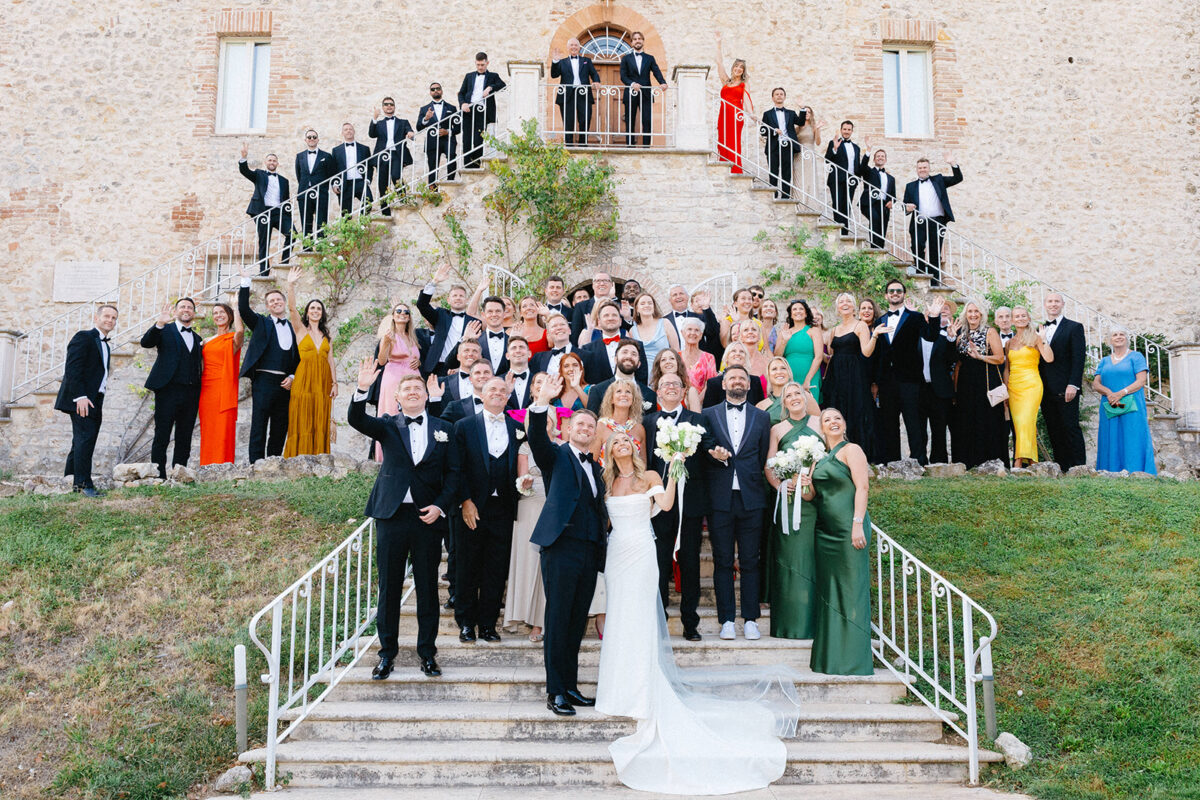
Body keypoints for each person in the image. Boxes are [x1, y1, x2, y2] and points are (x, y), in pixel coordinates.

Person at [595, 425, 801, 796]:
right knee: (619, 618)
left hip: (641, 552)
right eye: (617, 441)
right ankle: (617, 688)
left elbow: (666, 505)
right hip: (617, 554)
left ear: (634, 448)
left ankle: (642, 688)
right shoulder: (607, 482)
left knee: (639, 618)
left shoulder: (649, 476)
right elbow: (604, 521)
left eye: (627, 440)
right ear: (609, 451)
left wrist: (675, 469)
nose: (622, 443)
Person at [348, 362, 454, 679]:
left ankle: (428, 654)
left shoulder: (444, 428)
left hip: (427, 517)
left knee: (427, 589)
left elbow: (454, 474)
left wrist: (440, 506)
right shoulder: (387, 425)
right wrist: (362, 389)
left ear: (426, 395)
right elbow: (356, 419)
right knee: (390, 588)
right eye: (406, 389)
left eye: (417, 388)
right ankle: (386, 654)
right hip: (391, 515)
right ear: (397, 397)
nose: (412, 392)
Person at [526, 376, 606, 716]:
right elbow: (536, 438)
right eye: (580, 424)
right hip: (560, 547)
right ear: (568, 429)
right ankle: (555, 691)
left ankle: (571, 687)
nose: (585, 429)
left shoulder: (597, 468)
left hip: (589, 550)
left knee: (576, 622)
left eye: (590, 426)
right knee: (558, 619)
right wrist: (542, 401)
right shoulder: (556, 456)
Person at [450, 376, 522, 643]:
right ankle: (466, 623)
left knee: (496, 568)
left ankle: (488, 625)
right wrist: (465, 501)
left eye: (503, 390)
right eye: (492, 389)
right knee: (468, 566)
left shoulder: (517, 428)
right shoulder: (464, 426)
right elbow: (455, 468)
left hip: (503, 508)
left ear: (508, 397)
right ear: (481, 394)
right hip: (472, 507)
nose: (498, 393)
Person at [702, 365, 771, 641]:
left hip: (751, 497)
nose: (737, 381)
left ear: (749, 384)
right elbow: (704, 446)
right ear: (723, 383)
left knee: (751, 560)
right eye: (732, 378)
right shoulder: (708, 414)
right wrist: (714, 454)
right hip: (719, 498)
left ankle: (751, 619)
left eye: (742, 378)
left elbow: (763, 455)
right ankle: (727, 620)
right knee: (722, 560)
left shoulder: (762, 417)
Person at [805, 408, 873, 675]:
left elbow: (863, 487)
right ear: (821, 428)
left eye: (837, 418)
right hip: (825, 532)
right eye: (827, 420)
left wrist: (857, 523)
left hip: (848, 528)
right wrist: (802, 482)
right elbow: (811, 496)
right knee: (829, 592)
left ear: (844, 424)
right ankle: (830, 657)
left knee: (851, 590)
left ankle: (853, 659)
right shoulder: (818, 458)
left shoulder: (851, 450)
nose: (832, 422)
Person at [643, 371, 711, 636]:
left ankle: (690, 623)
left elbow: (708, 448)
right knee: (659, 562)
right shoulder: (648, 422)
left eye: (676, 384)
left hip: (690, 502)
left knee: (690, 562)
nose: (670, 387)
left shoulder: (698, 420)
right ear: (658, 392)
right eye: (665, 384)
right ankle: (658, 620)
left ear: (684, 391)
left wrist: (716, 452)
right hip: (659, 504)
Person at [764, 382, 823, 639]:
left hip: (817, 501)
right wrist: (779, 485)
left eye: (798, 393)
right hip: (789, 503)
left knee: (814, 558)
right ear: (784, 403)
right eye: (789, 395)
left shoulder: (820, 423)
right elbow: (769, 464)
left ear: (805, 397)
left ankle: (816, 621)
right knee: (789, 559)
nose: (794, 397)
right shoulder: (777, 429)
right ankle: (788, 623)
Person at [237, 265, 300, 462]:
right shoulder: (261, 323)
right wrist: (245, 282)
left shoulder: (293, 327)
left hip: (285, 383)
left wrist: (292, 376)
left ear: (284, 302)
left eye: (278, 299)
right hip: (263, 380)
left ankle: (274, 462)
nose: (275, 303)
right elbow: (243, 309)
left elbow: (298, 357)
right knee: (259, 423)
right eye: (271, 301)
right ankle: (256, 463)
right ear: (267, 306)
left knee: (280, 425)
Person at [507, 374, 553, 641]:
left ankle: (543, 621)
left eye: (546, 420)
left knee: (549, 565)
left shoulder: (562, 447)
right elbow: (521, 480)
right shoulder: (524, 447)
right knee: (529, 563)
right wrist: (524, 484)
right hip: (530, 505)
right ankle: (527, 616)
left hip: (553, 506)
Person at [872, 281, 937, 464]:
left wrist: (934, 316)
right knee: (889, 424)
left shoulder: (915, 317)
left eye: (898, 291)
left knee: (914, 423)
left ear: (904, 294)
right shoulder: (879, 321)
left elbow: (931, 336)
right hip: (887, 382)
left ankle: (919, 461)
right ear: (886, 295)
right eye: (891, 291)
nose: (895, 293)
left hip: (910, 380)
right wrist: (876, 382)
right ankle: (893, 463)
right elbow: (878, 354)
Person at [58, 304, 118, 496]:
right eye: (106, 316)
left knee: (81, 441)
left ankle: (71, 480)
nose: (110, 320)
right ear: (96, 318)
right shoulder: (83, 337)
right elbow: (72, 369)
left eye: (113, 318)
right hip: (82, 399)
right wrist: (80, 397)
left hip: (95, 398)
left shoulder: (105, 344)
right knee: (85, 440)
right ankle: (84, 485)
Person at [141, 298, 203, 479]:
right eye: (182, 307)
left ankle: (179, 474)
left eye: (190, 307)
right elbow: (146, 342)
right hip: (167, 390)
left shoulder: (197, 338)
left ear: (194, 313)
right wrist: (159, 324)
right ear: (176, 311)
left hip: (190, 392)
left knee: (185, 435)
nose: (186, 310)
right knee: (162, 433)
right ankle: (158, 475)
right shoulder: (165, 330)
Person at [283, 268, 336, 457]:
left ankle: (318, 458)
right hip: (304, 379)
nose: (315, 311)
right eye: (312, 308)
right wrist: (290, 285)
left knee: (320, 417)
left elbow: (330, 360)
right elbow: (291, 309)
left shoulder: (327, 336)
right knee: (302, 416)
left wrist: (335, 383)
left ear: (322, 313)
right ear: (307, 312)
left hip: (323, 381)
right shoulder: (300, 330)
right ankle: (298, 458)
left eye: (318, 308)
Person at [822, 293, 881, 459]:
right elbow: (831, 356)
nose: (845, 303)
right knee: (838, 410)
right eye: (841, 301)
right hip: (836, 377)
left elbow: (866, 352)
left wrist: (875, 335)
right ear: (837, 308)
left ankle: (860, 456)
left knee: (857, 410)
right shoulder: (834, 330)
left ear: (854, 306)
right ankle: (838, 454)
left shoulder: (860, 325)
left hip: (855, 376)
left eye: (848, 301)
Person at [953, 301, 1009, 469]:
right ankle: (969, 462)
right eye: (970, 311)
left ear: (982, 314)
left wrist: (980, 356)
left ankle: (991, 461)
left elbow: (1000, 358)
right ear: (965, 314)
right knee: (967, 420)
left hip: (986, 382)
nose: (973, 314)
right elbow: (958, 364)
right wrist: (955, 389)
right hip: (966, 384)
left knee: (988, 420)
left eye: (976, 311)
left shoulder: (990, 332)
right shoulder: (960, 335)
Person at [1093, 330, 1157, 474]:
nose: (1118, 337)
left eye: (1121, 334)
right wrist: (1109, 393)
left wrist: (1121, 393)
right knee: (1110, 437)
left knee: (1132, 436)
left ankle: (1136, 471)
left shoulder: (1136, 357)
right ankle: (1109, 471)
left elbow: (1141, 381)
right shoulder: (1104, 361)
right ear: (1110, 340)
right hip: (1110, 404)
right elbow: (1096, 384)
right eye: (1114, 335)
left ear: (1127, 338)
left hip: (1132, 404)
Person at [1039, 293, 1087, 470]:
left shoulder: (1074, 327)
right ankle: (1062, 467)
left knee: (1070, 427)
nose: (1053, 304)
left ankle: (1079, 467)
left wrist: (1073, 384)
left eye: (1056, 301)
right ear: (1045, 304)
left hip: (1067, 388)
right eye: (1050, 301)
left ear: (1062, 304)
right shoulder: (1039, 329)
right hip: (1045, 389)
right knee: (1053, 429)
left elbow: (1078, 358)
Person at [1004, 306, 1054, 467]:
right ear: (1012, 320)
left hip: (1031, 384)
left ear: (1028, 318)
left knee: (1026, 419)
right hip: (1014, 387)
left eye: (1023, 316)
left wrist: (1044, 339)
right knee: (1021, 423)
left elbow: (1049, 358)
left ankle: (1018, 460)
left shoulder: (1036, 338)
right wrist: (1005, 389)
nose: (1020, 318)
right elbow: (1007, 369)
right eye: (1017, 316)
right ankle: (1032, 461)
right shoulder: (1009, 343)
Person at [903, 154, 963, 285]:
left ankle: (935, 281)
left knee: (935, 251)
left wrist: (953, 163)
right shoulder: (910, 186)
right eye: (920, 168)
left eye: (924, 167)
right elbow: (905, 205)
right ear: (917, 170)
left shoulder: (939, 180)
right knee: (917, 246)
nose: (922, 170)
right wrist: (907, 207)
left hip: (937, 221)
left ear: (929, 168)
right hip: (919, 221)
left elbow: (958, 178)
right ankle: (920, 274)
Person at [374, 301, 421, 460]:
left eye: (406, 312)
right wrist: (386, 343)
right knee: (393, 412)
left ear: (409, 317)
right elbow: (381, 361)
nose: (402, 314)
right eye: (398, 311)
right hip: (394, 378)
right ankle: (388, 456)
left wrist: (418, 362)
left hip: (413, 379)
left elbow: (413, 356)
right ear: (393, 316)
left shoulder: (412, 336)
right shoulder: (389, 335)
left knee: (413, 414)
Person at [198, 302, 244, 466]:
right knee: (208, 429)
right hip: (206, 389)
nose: (218, 315)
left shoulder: (233, 339)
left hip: (224, 387)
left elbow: (240, 331)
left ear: (229, 316)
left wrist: (236, 307)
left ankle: (223, 466)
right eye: (215, 313)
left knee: (224, 429)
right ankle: (206, 466)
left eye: (222, 312)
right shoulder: (206, 341)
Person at [417, 262, 480, 375]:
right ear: (448, 300)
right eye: (454, 296)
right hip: (437, 367)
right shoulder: (440, 315)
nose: (458, 298)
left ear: (466, 300)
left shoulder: (474, 322)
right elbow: (422, 305)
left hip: (461, 368)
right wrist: (435, 281)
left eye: (461, 296)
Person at [238, 144, 292, 275]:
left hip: (279, 212)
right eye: (270, 160)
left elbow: (286, 200)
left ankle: (285, 261)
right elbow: (245, 171)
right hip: (262, 212)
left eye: (274, 161)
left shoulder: (284, 181)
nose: (272, 162)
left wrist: (288, 216)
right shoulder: (259, 174)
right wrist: (243, 158)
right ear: (265, 162)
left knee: (292, 234)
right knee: (264, 242)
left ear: (277, 163)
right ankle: (264, 272)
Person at [920, 300, 958, 464]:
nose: (942, 311)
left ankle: (939, 461)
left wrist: (951, 338)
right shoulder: (919, 333)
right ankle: (920, 460)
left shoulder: (950, 333)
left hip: (940, 388)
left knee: (939, 427)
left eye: (946, 308)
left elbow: (952, 359)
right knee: (919, 428)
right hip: (920, 387)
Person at [458, 52, 506, 169]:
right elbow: (461, 93)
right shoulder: (469, 76)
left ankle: (476, 165)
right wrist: (463, 103)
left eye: (482, 65)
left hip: (482, 111)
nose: (480, 67)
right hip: (468, 110)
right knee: (466, 139)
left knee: (478, 139)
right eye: (478, 65)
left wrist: (490, 87)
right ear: (475, 63)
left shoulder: (493, 76)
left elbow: (502, 85)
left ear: (487, 63)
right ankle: (467, 166)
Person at [619, 31, 668, 147]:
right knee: (630, 120)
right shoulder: (625, 59)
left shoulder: (650, 58)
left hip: (646, 94)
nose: (637, 41)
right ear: (631, 42)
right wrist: (632, 84)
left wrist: (663, 82)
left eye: (640, 39)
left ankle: (646, 147)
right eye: (635, 39)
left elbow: (656, 71)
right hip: (630, 93)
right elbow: (623, 76)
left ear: (643, 41)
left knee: (647, 120)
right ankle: (630, 146)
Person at [369, 97, 415, 216]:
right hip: (382, 155)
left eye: (391, 104)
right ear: (383, 107)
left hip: (396, 154)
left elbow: (410, 131)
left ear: (394, 107)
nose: (389, 106)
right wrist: (374, 118)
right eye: (386, 104)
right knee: (382, 183)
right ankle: (385, 212)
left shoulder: (403, 122)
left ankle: (403, 200)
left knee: (396, 176)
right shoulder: (379, 124)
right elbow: (371, 134)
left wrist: (410, 133)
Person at [714, 32, 753, 173]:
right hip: (723, 115)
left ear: (743, 71)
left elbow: (747, 99)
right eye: (736, 66)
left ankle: (735, 169)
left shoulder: (744, 84)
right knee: (722, 140)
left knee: (733, 141)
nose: (738, 69)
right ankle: (724, 169)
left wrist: (751, 114)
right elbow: (719, 63)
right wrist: (718, 44)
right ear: (733, 68)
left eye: (741, 67)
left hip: (736, 115)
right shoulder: (726, 81)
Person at [580, 306, 648, 385]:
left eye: (614, 315)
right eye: (606, 315)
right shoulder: (588, 349)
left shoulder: (638, 346)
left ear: (620, 321)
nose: (610, 318)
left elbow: (642, 377)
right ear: (599, 322)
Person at [550, 38, 600, 146]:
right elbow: (554, 75)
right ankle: (569, 146)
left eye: (576, 45)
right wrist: (555, 61)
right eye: (571, 45)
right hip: (567, 94)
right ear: (568, 48)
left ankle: (583, 144)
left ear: (579, 47)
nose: (574, 47)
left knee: (585, 119)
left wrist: (596, 81)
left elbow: (594, 73)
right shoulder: (562, 62)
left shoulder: (586, 61)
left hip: (583, 93)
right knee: (568, 121)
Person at [586, 339, 656, 415]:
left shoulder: (650, 395)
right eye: (625, 352)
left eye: (634, 354)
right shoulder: (597, 391)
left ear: (639, 364)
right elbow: (591, 419)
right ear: (615, 359)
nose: (629, 356)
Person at [775, 299, 824, 403]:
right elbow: (777, 357)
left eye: (801, 309)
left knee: (810, 406)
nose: (798, 311)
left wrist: (808, 380)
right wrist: (784, 341)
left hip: (810, 375)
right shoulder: (783, 332)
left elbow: (819, 357)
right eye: (794, 309)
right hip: (789, 376)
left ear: (806, 314)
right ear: (791, 315)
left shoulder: (814, 331)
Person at [294, 130, 336, 247]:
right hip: (304, 193)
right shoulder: (300, 156)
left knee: (321, 220)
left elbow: (331, 174)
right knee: (306, 221)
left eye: (314, 137)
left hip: (321, 193)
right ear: (305, 140)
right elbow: (299, 175)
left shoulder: (326, 156)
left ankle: (321, 245)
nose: (311, 139)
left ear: (318, 139)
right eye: (309, 137)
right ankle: (307, 246)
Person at [824, 121, 865, 236]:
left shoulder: (856, 148)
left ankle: (845, 233)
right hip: (837, 179)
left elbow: (857, 165)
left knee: (847, 206)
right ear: (841, 130)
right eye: (845, 129)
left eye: (849, 129)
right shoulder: (834, 143)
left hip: (851, 181)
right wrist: (834, 149)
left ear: (852, 131)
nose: (846, 131)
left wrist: (857, 179)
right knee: (837, 204)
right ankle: (839, 232)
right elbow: (827, 160)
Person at [761, 88, 802, 199]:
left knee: (787, 172)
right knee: (773, 172)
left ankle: (785, 196)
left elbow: (800, 122)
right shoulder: (767, 114)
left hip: (787, 146)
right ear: (773, 97)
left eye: (781, 94)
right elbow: (763, 131)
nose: (779, 96)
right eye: (777, 94)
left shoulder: (791, 113)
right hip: (773, 146)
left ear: (784, 97)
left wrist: (802, 109)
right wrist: (774, 131)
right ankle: (773, 195)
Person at [417, 82, 459, 188]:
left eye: (438, 88)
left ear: (442, 91)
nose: (435, 90)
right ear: (430, 93)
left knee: (452, 157)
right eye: (433, 89)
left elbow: (458, 127)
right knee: (432, 166)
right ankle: (433, 190)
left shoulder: (452, 108)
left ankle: (450, 184)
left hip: (448, 139)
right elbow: (418, 127)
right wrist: (426, 118)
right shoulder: (424, 109)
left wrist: (448, 131)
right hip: (432, 141)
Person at [703, 342, 766, 407]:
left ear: (746, 358)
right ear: (726, 357)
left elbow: (760, 408)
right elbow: (708, 410)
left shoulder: (755, 381)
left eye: (741, 351)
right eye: (733, 351)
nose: (738, 354)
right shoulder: (714, 383)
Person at [331, 122, 374, 216]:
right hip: (344, 183)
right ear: (342, 133)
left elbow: (369, 166)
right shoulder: (336, 150)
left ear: (354, 131)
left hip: (360, 181)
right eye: (346, 130)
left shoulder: (364, 149)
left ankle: (361, 221)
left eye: (350, 129)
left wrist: (368, 179)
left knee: (369, 202)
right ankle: (348, 225)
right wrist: (334, 184)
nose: (348, 131)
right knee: (346, 213)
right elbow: (333, 169)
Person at [859, 147, 896, 249]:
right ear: (874, 159)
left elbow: (893, 196)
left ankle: (880, 250)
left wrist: (892, 202)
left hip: (884, 206)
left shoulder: (891, 178)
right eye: (878, 156)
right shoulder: (869, 172)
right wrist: (868, 151)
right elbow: (862, 167)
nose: (880, 158)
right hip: (870, 203)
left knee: (882, 227)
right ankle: (874, 249)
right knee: (875, 220)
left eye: (882, 156)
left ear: (885, 160)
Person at [629, 292, 679, 366]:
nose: (647, 305)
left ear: (654, 307)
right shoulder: (632, 331)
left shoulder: (665, 323)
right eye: (642, 303)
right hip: (642, 372)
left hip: (664, 370)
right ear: (637, 308)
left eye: (650, 303)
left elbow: (676, 350)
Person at [571, 271, 619, 343]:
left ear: (611, 285)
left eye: (605, 281)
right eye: (598, 281)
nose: (602, 284)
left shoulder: (619, 305)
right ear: (593, 285)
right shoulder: (581, 307)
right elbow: (575, 335)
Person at [678, 317, 717, 402]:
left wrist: (696, 403)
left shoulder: (709, 358)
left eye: (696, 330)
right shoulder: (676, 357)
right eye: (689, 329)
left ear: (701, 335)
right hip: (678, 403)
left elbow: (710, 385)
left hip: (701, 403)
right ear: (682, 333)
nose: (693, 333)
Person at [794, 105, 825, 203]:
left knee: (809, 179)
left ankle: (810, 204)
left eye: (809, 112)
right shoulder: (797, 128)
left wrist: (818, 129)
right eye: (805, 112)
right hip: (798, 156)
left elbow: (818, 142)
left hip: (809, 155)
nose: (807, 113)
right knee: (799, 179)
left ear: (811, 114)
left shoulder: (814, 127)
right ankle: (799, 202)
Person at [505, 336, 535, 409]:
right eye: (513, 348)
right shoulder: (498, 380)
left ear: (529, 354)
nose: (518, 351)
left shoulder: (538, 380)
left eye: (521, 347)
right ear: (507, 356)